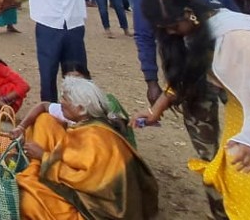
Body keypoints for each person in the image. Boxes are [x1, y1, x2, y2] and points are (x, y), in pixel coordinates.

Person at [135, 0, 250, 220]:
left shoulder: (238, 36)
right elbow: (186, 76)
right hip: (244, 121)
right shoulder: (201, 32)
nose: (170, 33)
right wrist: (154, 111)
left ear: (189, 14)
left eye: (172, 26)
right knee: (244, 190)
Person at [130, 0, 237, 219]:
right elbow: (144, 38)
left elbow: (237, 18)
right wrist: (151, 81)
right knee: (208, 151)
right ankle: (222, 211)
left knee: (249, 140)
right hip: (189, 79)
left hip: (234, 74)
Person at [18, 76, 159, 219]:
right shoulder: (90, 125)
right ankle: (33, 168)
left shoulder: (94, 138)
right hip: (92, 188)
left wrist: (43, 157)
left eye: (65, 99)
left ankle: (33, 170)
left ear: (80, 109)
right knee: (46, 120)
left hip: (101, 209)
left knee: (29, 202)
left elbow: (85, 181)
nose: (61, 102)